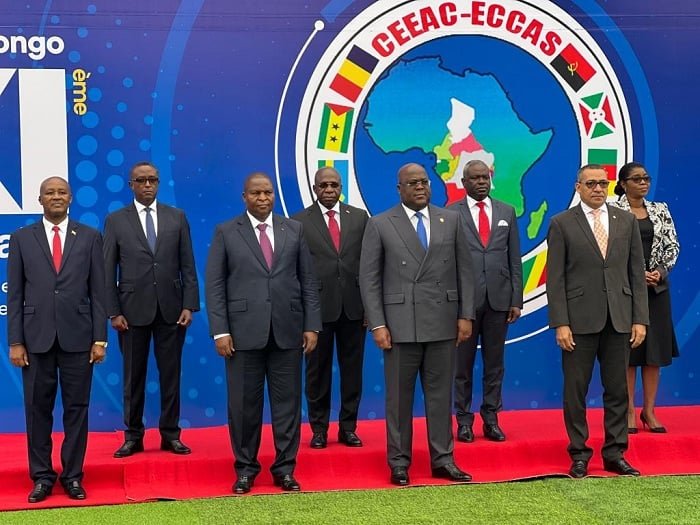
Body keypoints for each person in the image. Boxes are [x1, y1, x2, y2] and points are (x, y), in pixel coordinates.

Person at [359, 163, 475, 486]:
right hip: (400, 326)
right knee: (399, 400)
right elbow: (369, 279)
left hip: (442, 322)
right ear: (399, 189)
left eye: (424, 181)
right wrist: (378, 324)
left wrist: (466, 315)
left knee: (440, 396)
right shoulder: (380, 224)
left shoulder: (451, 219)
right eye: (413, 183)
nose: (421, 187)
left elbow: (465, 271)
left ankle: (443, 459)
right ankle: (399, 462)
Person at [205, 172, 322, 494]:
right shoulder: (226, 231)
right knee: (244, 408)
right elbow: (215, 285)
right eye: (256, 193)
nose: (263, 198)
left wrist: (311, 325)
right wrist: (220, 331)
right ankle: (245, 470)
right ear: (244, 197)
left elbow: (308, 281)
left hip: (288, 332)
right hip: (242, 336)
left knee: (287, 407)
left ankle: (285, 469)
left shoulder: (293, 229)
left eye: (267, 192)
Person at [7, 177, 107, 503]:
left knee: (77, 410)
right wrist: (15, 342)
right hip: (35, 340)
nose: (56, 197)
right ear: (40, 199)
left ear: (71, 198)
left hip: (79, 339)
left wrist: (100, 339)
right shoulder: (22, 239)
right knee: (37, 411)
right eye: (49, 192)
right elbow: (15, 295)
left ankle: (73, 476)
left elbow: (98, 292)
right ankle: (41, 477)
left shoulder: (90, 237)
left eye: (62, 192)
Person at [546, 164, 648, 479]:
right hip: (578, 322)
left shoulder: (625, 221)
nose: (598, 189)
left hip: (619, 319)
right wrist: (561, 323)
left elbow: (636, 273)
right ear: (578, 187)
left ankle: (615, 453)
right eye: (591, 184)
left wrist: (639, 319)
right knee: (575, 392)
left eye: (603, 183)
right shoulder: (561, 223)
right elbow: (555, 279)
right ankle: (579, 454)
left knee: (617, 391)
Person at [104, 161, 200, 458]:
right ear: (131, 185)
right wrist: (113, 311)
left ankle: (171, 434)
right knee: (133, 377)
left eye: (152, 180)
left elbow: (188, 264)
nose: (147, 185)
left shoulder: (177, 217)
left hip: (172, 310)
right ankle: (133, 436)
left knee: (171, 375)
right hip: (131, 313)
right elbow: (107, 270)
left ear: (158, 183)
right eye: (141, 180)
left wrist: (189, 304)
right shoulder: (116, 220)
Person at [292, 167, 368, 449]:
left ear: (341, 188)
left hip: (354, 308)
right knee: (317, 373)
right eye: (323, 185)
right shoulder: (299, 222)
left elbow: (369, 264)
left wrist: (370, 308)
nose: (329, 190)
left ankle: (348, 428)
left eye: (334, 185)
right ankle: (319, 429)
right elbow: (295, 271)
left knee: (353, 372)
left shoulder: (359, 218)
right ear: (315, 189)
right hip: (317, 311)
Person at [448, 160, 523, 443]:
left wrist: (516, 298)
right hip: (464, 304)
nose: (481, 182)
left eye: (485, 177)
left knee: (495, 365)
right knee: (462, 367)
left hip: (499, 300)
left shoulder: (506, 211)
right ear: (464, 182)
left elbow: (514, 258)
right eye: (475, 178)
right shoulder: (450, 213)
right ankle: (463, 420)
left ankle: (491, 419)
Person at [610, 162, 680, 433]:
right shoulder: (612, 210)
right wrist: (637, 273)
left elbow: (673, 246)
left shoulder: (660, 209)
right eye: (637, 179)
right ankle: (628, 410)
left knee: (654, 353)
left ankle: (648, 411)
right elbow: (608, 249)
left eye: (646, 179)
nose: (643, 183)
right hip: (626, 290)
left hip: (656, 291)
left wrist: (660, 271)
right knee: (629, 353)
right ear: (623, 183)